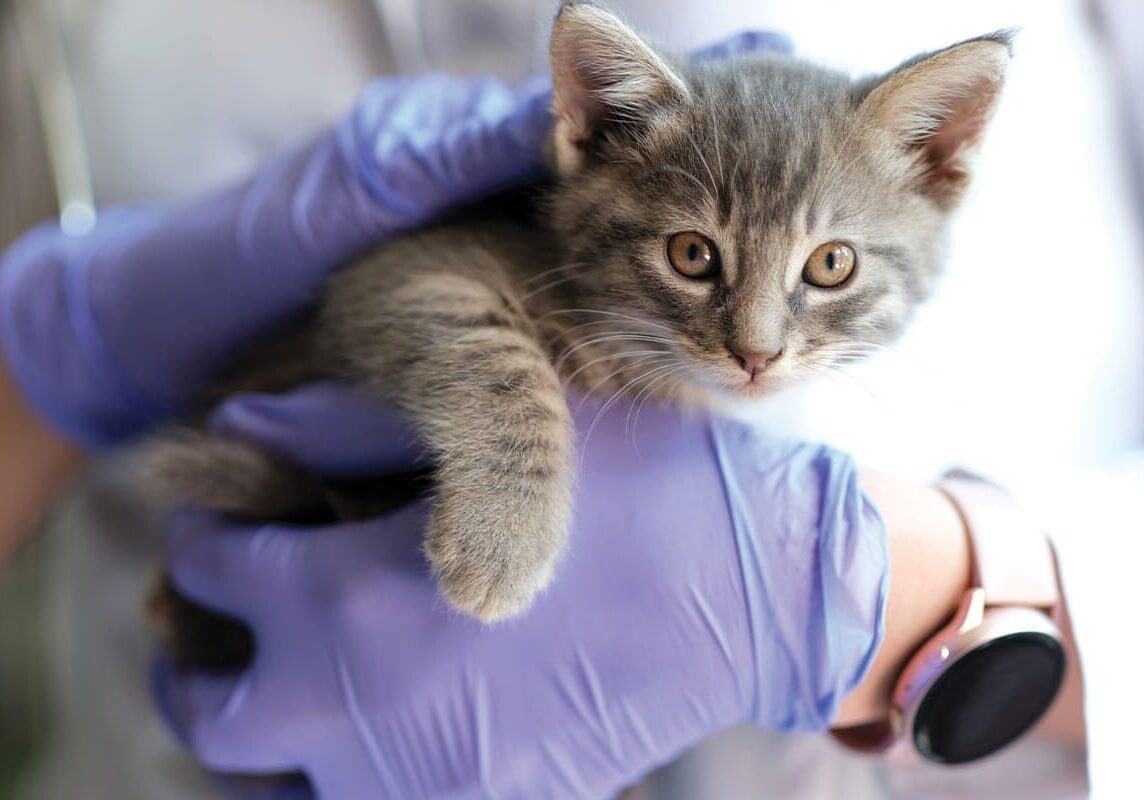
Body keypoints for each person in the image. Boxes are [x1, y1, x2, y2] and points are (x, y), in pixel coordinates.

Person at [0, 38, 1090, 799]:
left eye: (829, 266)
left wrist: (912, 589)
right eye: (697, 257)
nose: (755, 340)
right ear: (594, 128)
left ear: (940, 163)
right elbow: (430, 288)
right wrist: (54, 342)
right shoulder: (570, 267)